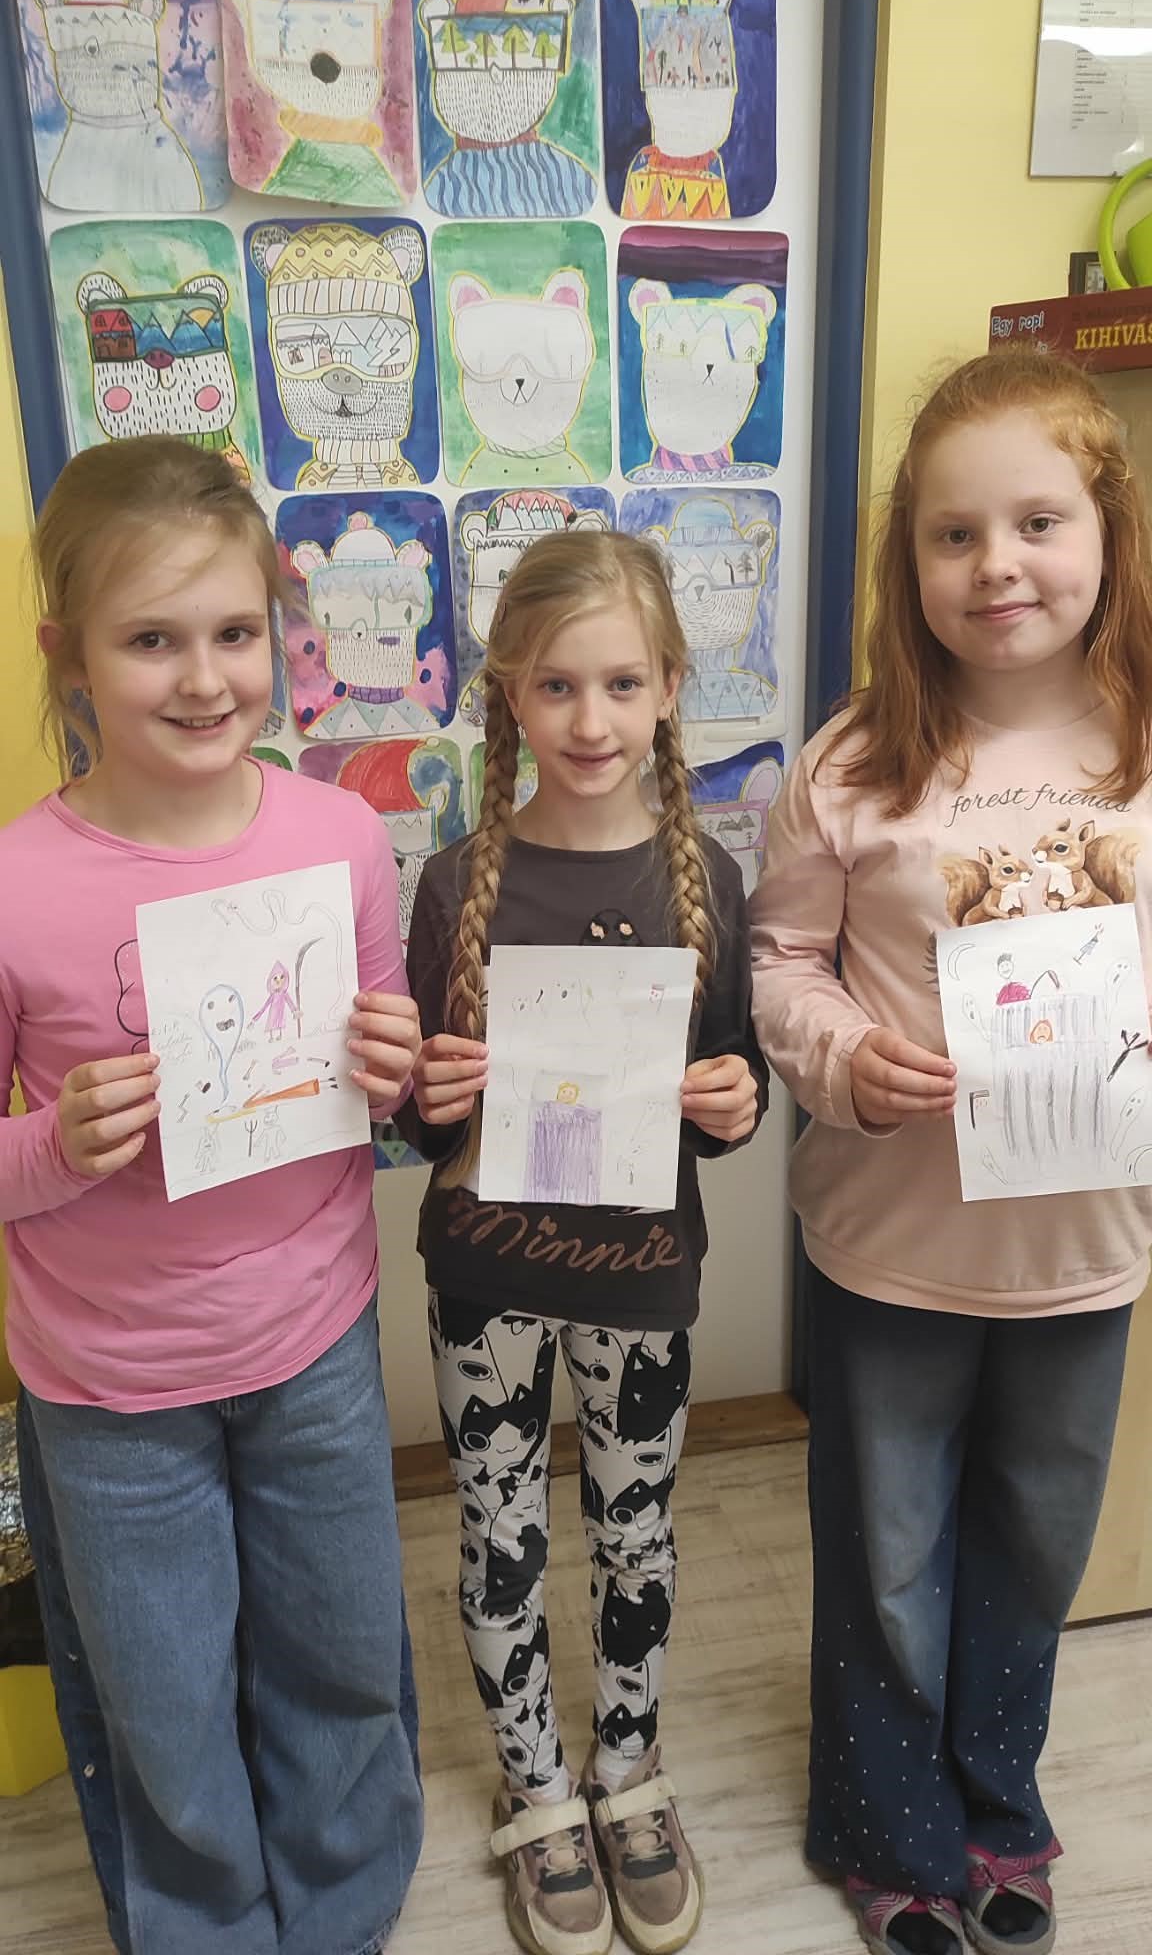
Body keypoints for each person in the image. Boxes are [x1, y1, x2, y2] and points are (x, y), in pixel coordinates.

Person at [749, 348, 1152, 1955]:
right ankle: (886, 1830)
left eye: (1038, 523)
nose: (998, 566)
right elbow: (781, 963)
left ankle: (998, 1807)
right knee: (889, 1552)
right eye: (954, 534)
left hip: (1083, 1251)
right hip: (893, 1244)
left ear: (1108, 532)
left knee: (1034, 1544)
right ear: (908, 560)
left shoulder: (1145, 746)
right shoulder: (853, 767)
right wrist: (845, 1058)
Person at [0, 439, 424, 1955]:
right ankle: (205, 1928)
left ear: (279, 636)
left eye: (235, 633)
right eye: (149, 641)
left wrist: (393, 1064)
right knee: (164, 1697)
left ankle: (345, 1908)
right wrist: (56, 1145)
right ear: (67, 654)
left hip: (313, 1341)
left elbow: (381, 1082)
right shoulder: (17, 884)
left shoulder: (339, 834)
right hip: (109, 1388)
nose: (202, 679)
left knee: (339, 1657)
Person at [397, 530, 768, 1955]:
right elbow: (421, 1118)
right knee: (500, 1534)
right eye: (556, 685)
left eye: (621, 683)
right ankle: (539, 1789)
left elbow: (722, 1087)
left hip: (641, 1279)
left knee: (635, 1533)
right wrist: (430, 1098)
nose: (592, 719)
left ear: (670, 686)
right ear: (510, 693)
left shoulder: (706, 880)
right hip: (486, 1279)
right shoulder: (455, 883)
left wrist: (735, 1104)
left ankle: (626, 1769)